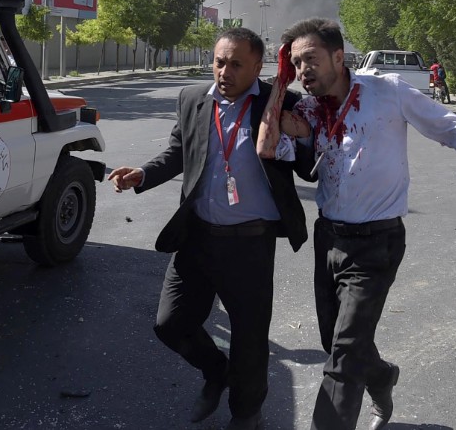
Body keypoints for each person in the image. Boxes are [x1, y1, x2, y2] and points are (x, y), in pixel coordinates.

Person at [280, 19, 456, 430]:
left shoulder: (387, 92)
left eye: (310, 60)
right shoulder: (308, 108)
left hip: (377, 242)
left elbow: (455, 128)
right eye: (296, 63)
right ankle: (383, 376)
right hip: (328, 237)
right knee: (334, 342)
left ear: (338, 56)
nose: (303, 71)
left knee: (344, 355)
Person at [107, 28, 310, 430]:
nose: (224, 71)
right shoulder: (192, 99)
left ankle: (246, 413)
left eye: (236, 64)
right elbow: (178, 152)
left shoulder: (282, 102)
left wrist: (295, 135)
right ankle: (217, 371)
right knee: (171, 323)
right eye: (219, 62)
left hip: (251, 243)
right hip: (198, 237)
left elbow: (307, 165)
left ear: (258, 65)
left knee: (249, 338)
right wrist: (143, 174)